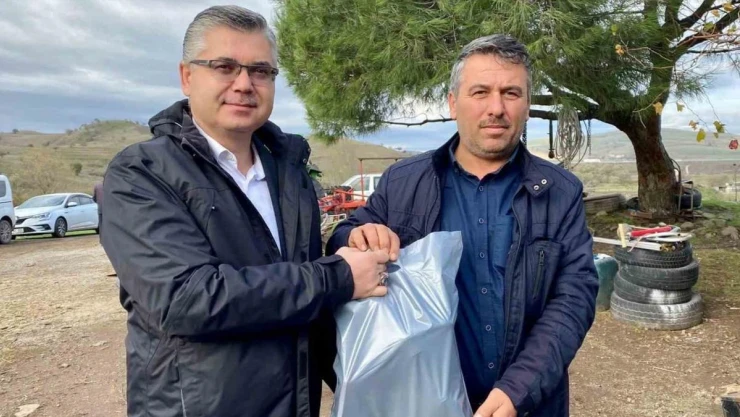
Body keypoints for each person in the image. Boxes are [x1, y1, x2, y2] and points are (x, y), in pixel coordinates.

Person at [101, 6, 389, 417]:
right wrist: (338, 276)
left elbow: (307, 298)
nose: (244, 84)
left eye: (260, 71)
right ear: (187, 76)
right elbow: (185, 299)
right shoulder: (141, 173)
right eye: (224, 67)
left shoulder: (289, 172)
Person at [326, 34, 599, 417]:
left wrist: (519, 390)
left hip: (527, 405)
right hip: (423, 402)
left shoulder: (560, 191)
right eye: (480, 92)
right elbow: (342, 240)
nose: (496, 108)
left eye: (511, 93)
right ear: (453, 103)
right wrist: (356, 236)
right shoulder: (403, 182)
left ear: (526, 106)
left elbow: (574, 298)